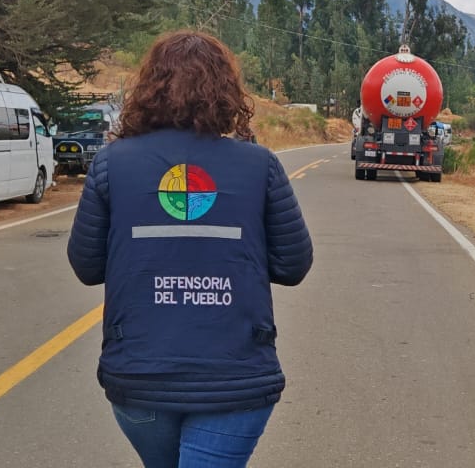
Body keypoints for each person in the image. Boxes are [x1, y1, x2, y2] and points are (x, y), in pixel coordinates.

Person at [68, 30, 314, 468]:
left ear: (148, 89)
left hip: (139, 376)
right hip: (235, 378)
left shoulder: (111, 163)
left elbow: (87, 266)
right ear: (226, 91)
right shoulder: (260, 165)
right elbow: (293, 265)